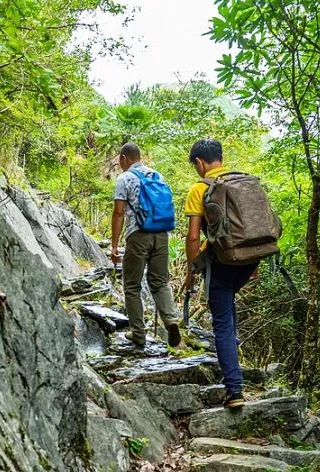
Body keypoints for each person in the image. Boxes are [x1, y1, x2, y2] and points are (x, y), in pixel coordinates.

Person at [183, 139, 256, 409]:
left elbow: (193, 237)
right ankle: (235, 365)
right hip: (248, 260)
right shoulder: (243, 182)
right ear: (221, 158)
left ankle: (234, 391)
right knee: (228, 310)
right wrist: (254, 263)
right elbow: (253, 227)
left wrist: (192, 270)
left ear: (200, 163)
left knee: (222, 323)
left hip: (223, 262)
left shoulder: (200, 188)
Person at [110, 142, 181, 348]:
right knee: (160, 281)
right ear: (139, 157)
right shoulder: (157, 176)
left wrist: (114, 246)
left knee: (132, 285)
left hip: (138, 234)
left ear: (124, 158)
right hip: (161, 235)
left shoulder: (124, 178)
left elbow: (118, 213)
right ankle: (171, 320)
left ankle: (138, 333)